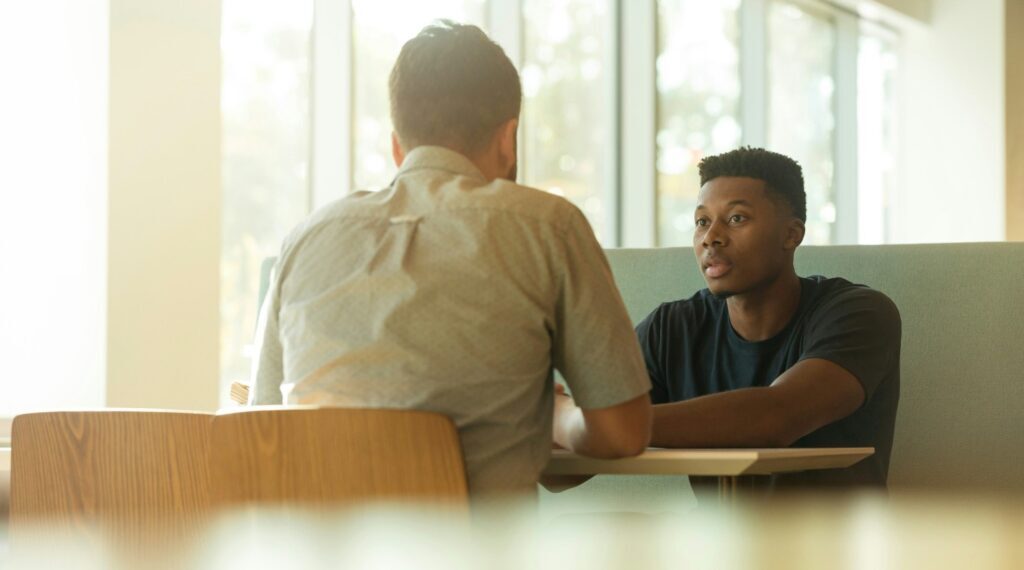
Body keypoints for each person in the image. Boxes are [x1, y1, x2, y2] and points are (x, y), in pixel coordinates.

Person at [248, 21, 652, 499]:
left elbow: (261, 428)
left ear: (398, 146)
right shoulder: (548, 226)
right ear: (509, 139)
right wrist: (558, 416)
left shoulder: (305, 239)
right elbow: (623, 433)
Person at [635, 147, 900, 490]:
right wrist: (563, 420)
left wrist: (602, 425)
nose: (710, 237)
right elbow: (562, 474)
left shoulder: (860, 314)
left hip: (834, 541)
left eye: (736, 219)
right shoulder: (671, 328)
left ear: (792, 234)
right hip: (717, 541)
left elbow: (775, 418)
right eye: (702, 221)